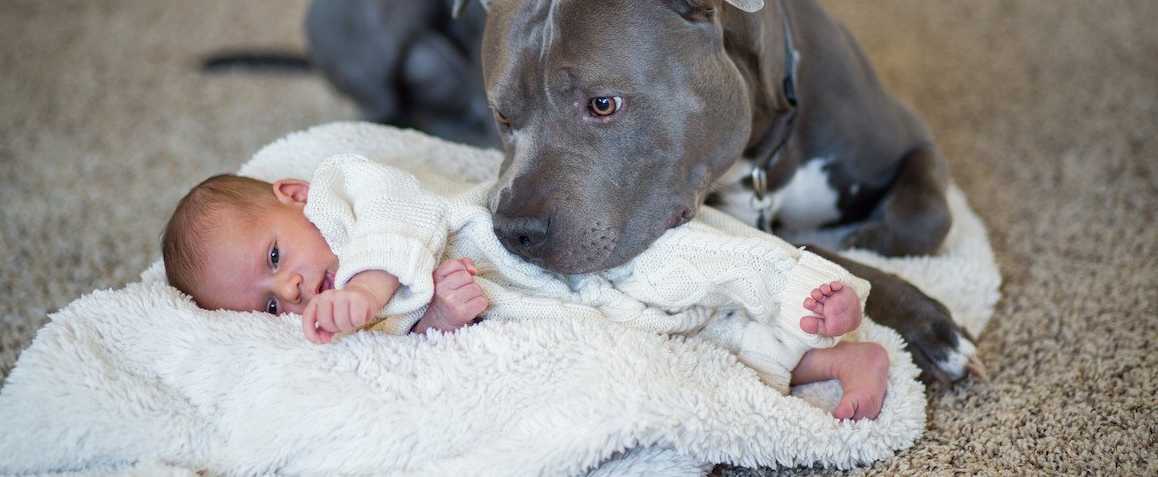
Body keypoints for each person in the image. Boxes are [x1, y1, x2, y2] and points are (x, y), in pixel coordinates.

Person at [162, 154, 889, 420]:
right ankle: (828, 358)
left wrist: (371, 285)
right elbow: (418, 344)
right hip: (551, 303)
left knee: (685, 262)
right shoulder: (342, 312)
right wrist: (441, 313)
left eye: (275, 254)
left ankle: (803, 289)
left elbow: (402, 211)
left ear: (293, 195)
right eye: (266, 301)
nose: (289, 286)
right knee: (682, 331)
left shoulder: (344, 192)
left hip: (559, 246)